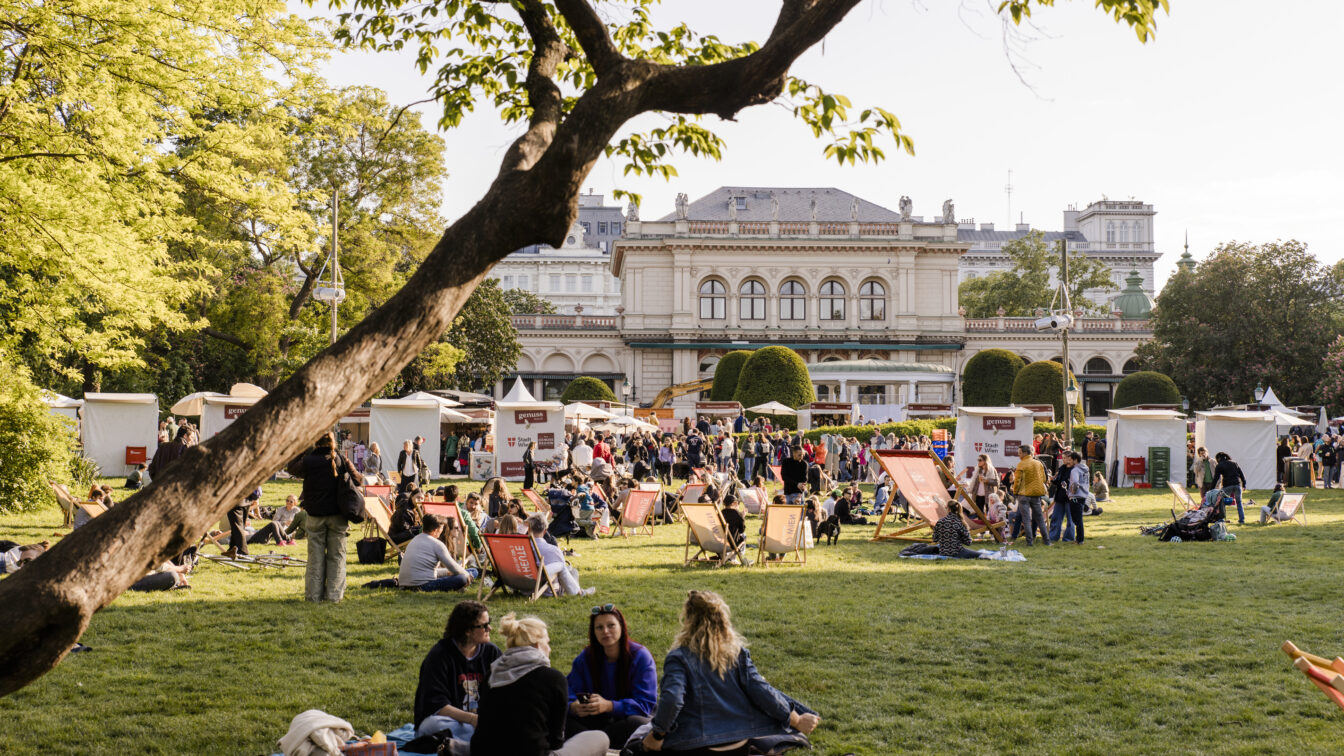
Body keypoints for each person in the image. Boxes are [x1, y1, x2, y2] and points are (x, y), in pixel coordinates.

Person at [643, 591, 820, 755]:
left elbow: (673, 699)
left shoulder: (679, 658)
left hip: (695, 742)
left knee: (640, 743)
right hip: (738, 742)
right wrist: (795, 719)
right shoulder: (738, 654)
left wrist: (657, 735)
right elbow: (762, 691)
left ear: (688, 619)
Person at [471, 613, 610, 756]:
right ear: (538, 645)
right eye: (548, 643)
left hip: (482, 752)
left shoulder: (492, 674)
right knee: (599, 737)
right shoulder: (553, 679)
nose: (549, 649)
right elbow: (556, 742)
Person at [565, 604, 658, 747]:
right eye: (599, 627)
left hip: (624, 721)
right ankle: (595, 743)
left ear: (621, 627)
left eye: (611, 625)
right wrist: (573, 706)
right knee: (560, 719)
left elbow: (644, 704)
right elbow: (569, 690)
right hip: (593, 721)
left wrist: (609, 706)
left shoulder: (640, 656)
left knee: (640, 724)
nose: (605, 631)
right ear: (593, 632)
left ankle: (593, 744)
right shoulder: (586, 657)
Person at [415, 600, 502, 745]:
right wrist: (472, 719)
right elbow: (437, 705)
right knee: (435, 726)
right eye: (484, 625)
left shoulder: (492, 653)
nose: (490, 629)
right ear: (467, 630)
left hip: (480, 721)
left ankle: (466, 744)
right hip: (450, 721)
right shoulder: (440, 656)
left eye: (489, 623)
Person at [299, 432, 358, 602]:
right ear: (333, 443)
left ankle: (313, 596)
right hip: (338, 515)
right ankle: (334, 596)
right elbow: (358, 479)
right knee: (337, 557)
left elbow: (291, 467)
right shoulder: (340, 459)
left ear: (315, 443)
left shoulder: (309, 461)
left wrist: (305, 449)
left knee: (315, 559)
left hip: (315, 515)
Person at [400, 514, 476, 592]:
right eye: (442, 528)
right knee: (463, 577)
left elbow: (426, 570)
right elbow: (453, 567)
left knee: (472, 571)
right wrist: (466, 575)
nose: (442, 531)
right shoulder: (437, 544)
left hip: (404, 585)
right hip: (423, 586)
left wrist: (446, 572)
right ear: (436, 530)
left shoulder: (414, 540)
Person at [528, 515, 595, 596]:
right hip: (544, 587)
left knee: (573, 572)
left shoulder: (520, 548)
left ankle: (579, 591)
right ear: (545, 531)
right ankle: (580, 592)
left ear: (529, 529)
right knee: (563, 567)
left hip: (522, 584)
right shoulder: (552, 549)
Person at [1011, 445, 1050, 546]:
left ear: (1024, 453)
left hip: (1023, 495)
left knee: (1026, 519)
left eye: (1019, 453)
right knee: (1040, 518)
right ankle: (1047, 541)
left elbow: (1017, 481)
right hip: (1036, 494)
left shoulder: (1021, 464)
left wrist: (1015, 492)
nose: (1019, 455)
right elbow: (1044, 479)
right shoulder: (1038, 463)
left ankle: (1029, 542)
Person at [222, 487, 261, 559]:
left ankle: (243, 551)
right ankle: (232, 549)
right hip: (247, 499)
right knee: (239, 526)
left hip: (236, 500)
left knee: (237, 526)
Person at [1212, 451, 1247, 524]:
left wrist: (1211, 489)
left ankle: (1221, 519)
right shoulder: (1234, 463)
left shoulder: (1219, 466)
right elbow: (1241, 474)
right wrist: (1244, 484)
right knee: (1239, 502)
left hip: (1227, 485)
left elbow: (1216, 478)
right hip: (1237, 485)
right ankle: (1241, 520)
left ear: (1218, 458)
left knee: (1220, 501)